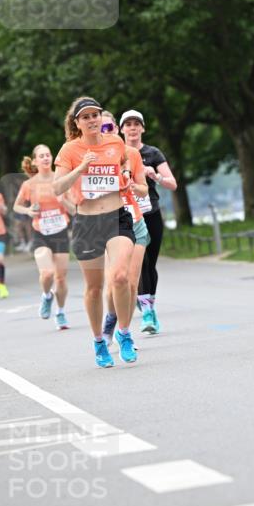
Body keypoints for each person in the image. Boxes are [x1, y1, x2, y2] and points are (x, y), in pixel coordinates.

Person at [53, 97, 137, 368]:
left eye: (95, 115)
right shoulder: (69, 150)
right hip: (87, 222)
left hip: (117, 218)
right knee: (94, 287)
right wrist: (80, 168)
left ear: (101, 118)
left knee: (121, 277)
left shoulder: (115, 142)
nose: (91, 120)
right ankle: (99, 341)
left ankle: (124, 333)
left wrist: (124, 174)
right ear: (77, 123)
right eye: (85, 117)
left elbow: (123, 163)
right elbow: (57, 187)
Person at [119, 109, 177, 335]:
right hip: (127, 214)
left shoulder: (153, 153)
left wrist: (155, 176)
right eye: (128, 124)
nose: (132, 128)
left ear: (142, 128)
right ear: (121, 129)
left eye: (136, 124)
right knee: (139, 263)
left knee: (150, 262)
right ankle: (147, 312)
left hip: (150, 211)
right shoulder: (116, 153)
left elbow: (172, 184)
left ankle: (148, 303)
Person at [98, 111, 151, 345]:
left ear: (117, 130)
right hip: (110, 223)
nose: (108, 132)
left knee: (130, 282)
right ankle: (111, 316)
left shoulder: (131, 154)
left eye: (111, 128)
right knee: (114, 283)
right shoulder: (93, 156)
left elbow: (144, 188)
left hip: (135, 221)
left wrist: (132, 186)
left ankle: (124, 332)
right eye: (104, 128)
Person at [13, 145, 74, 329]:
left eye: (48, 155)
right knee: (47, 273)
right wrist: (29, 210)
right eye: (42, 156)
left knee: (61, 278)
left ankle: (61, 312)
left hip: (61, 231)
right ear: (35, 161)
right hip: (40, 232)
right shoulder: (29, 185)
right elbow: (17, 206)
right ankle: (47, 296)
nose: (46, 158)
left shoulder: (61, 180)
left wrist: (64, 200)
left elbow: (74, 209)